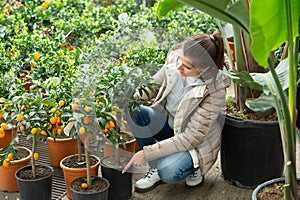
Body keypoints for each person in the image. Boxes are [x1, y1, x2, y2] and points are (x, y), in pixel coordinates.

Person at [122, 31, 231, 193]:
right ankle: (155, 167)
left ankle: (194, 169)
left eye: (187, 67)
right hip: (170, 126)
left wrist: (146, 153)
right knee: (133, 110)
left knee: (168, 172)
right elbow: (152, 86)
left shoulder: (215, 91)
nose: (179, 67)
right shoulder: (176, 62)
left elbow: (190, 138)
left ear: (204, 68)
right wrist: (128, 101)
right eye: (181, 59)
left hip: (193, 143)